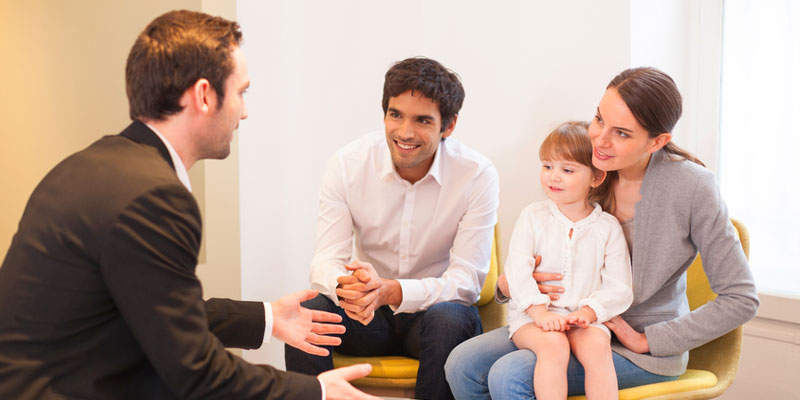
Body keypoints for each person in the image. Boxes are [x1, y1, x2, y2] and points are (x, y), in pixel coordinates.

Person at [0, 10, 377, 400]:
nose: (244, 111)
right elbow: (196, 373)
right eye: (241, 92)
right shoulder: (154, 196)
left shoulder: (92, 164)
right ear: (203, 95)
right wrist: (316, 392)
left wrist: (267, 318)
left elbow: (154, 311)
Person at [444, 67, 759, 399]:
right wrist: (511, 286)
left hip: (633, 345)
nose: (600, 139)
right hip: (561, 318)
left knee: (511, 377)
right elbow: (546, 249)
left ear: (658, 141)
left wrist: (650, 339)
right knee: (462, 364)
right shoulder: (591, 165)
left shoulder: (692, 187)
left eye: (622, 133)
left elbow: (741, 299)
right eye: (599, 119)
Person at [284, 57, 499, 400]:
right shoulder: (347, 164)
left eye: (422, 120)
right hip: (366, 316)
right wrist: (348, 289)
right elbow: (325, 262)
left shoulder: (476, 175)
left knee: (451, 318)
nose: (405, 132)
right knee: (309, 314)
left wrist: (393, 291)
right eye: (395, 114)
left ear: (450, 125)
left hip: (433, 316)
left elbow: (466, 285)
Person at [506, 121, 632, 399]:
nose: (554, 177)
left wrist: (588, 312)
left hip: (583, 317)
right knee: (554, 346)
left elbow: (619, 286)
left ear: (596, 177)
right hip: (531, 317)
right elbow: (517, 269)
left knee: (598, 348)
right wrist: (540, 312)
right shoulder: (533, 216)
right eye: (547, 166)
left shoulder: (607, 227)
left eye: (567, 170)